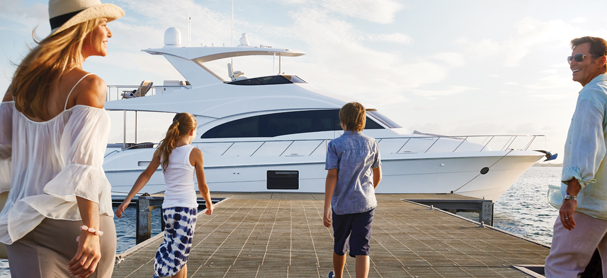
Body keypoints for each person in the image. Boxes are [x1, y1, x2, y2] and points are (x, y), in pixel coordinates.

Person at [0, 0, 123, 277]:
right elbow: (83, 166)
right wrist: (91, 231)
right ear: (85, 27)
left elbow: (2, 147)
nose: (110, 33)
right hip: (80, 223)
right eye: (104, 24)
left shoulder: (20, 85)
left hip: (26, 224)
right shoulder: (89, 85)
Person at [115, 112, 214, 278]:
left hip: (168, 209)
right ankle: (160, 274)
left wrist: (127, 200)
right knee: (178, 256)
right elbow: (202, 186)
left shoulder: (163, 150)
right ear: (191, 132)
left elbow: (146, 174)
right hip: (186, 209)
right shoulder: (194, 152)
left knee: (178, 253)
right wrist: (209, 202)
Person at [545, 36, 607, 277]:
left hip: (589, 204)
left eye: (580, 57)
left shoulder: (591, 95)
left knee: (562, 267)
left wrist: (570, 196)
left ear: (602, 61)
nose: (573, 63)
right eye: (570, 58)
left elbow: (588, 148)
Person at [323, 102, 382, 278]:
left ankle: (338, 276)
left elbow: (332, 176)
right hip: (366, 204)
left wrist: (327, 207)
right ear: (362, 122)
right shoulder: (372, 143)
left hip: (342, 205)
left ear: (343, 122)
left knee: (340, 244)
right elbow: (377, 175)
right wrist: (368, 193)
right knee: (362, 247)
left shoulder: (335, 145)